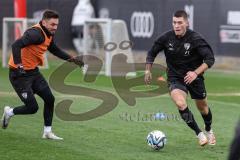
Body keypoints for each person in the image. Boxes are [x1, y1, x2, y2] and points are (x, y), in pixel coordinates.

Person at [1, 10, 84, 140]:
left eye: (56, 25)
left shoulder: (48, 34)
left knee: (50, 99)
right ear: (44, 22)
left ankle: (47, 132)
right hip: (19, 75)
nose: (55, 27)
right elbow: (16, 45)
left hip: (33, 72)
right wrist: (19, 65)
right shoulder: (35, 34)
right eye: (52, 24)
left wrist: (73, 60)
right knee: (32, 108)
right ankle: (9, 112)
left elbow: (55, 50)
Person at [145, 10, 216, 146]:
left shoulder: (196, 39)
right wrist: (148, 70)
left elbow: (210, 59)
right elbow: (151, 53)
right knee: (180, 103)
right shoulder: (166, 38)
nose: (176, 25)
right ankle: (199, 134)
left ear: (186, 23)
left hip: (194, 78)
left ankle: (208, 129)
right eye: (174, 22)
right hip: (175, 77)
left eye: (179, 22)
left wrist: (195, 73)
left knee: (203, 107)